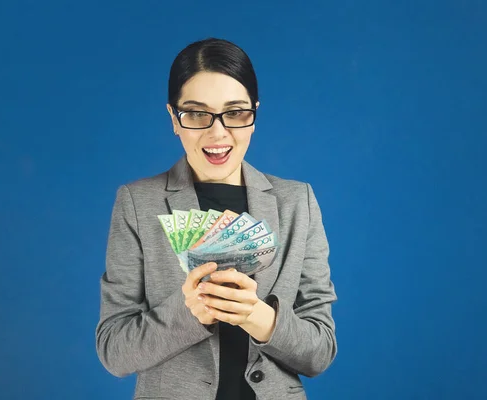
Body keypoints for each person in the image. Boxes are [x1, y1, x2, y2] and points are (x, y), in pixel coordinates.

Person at [96, 38, 338, 400]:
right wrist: (190, 313)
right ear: (173, 119)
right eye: (196, 113)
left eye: (236, 112)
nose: (217, 132)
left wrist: (261, 318)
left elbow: (321, 352)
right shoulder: (137, 203)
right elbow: (114, 352)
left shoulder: (296, 203)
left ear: (254, 115)